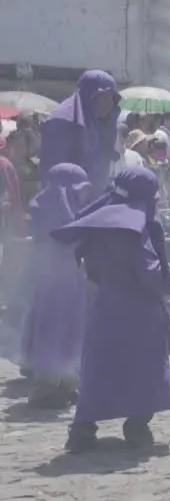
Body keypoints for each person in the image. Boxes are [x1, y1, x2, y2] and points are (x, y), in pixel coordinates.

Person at [53, 167, 170, 453]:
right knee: (144, 366)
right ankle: (136, 426)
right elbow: (147, 270)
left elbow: (90, 265)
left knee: (100, 367)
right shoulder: (136, 224)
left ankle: (83, 430)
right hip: (139, 308)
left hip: (105, 303)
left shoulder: (101, 221)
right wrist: (164, 280)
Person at [17, 163, 92, 409]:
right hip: (52, 281)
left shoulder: (70, 206)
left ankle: (68, 381)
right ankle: (47, 386)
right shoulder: (49, 205)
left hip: (69, 279)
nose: (82, 194)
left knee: (70, 329)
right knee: (52, 330)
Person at [40, 70, 121, 193]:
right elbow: (53, 173)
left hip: (96, 199)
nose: (108, 103)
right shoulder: (62, 122)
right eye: (103, 97)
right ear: (88, 96)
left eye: (111, 97)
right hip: (68, 200)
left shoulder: (104, 122)